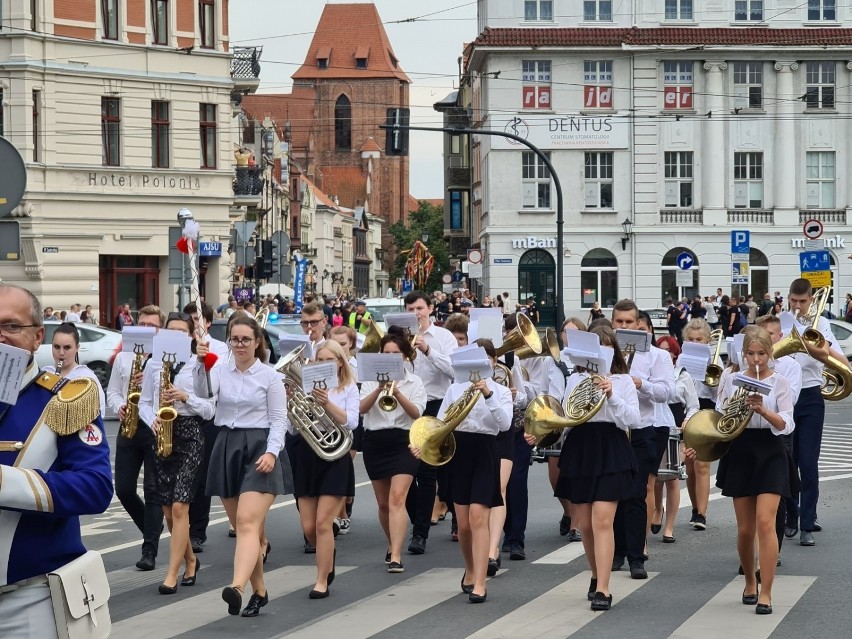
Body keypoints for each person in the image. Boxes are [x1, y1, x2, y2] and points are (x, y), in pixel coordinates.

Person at [0, 283, 113, 638]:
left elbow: (96, 488)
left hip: (28, 600)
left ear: (37, 337)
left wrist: (6, 484)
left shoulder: (65, 400)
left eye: (11, 326)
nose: (0, 337)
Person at [688, 326, 795, 615]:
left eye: (761, 354)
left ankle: (767, 592)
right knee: (746, 529)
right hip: (742, 450)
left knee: (765, 523)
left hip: (771, 451)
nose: (756, 360)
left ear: (769, 353)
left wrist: (763, 410)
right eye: (751, 354)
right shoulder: (732, 379)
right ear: (743, 353)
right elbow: (720, 418)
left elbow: (787, 423)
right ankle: (749, 579)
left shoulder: (781, 382)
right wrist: (698, 444)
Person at [196, 314, 291, 617]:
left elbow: (279, 421)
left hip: (261, 448)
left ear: (257, 342)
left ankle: (237, 587)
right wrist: (200, 365)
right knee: (242, 528)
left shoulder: (270, 376)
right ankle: (260, 592)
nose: (240, 345)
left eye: (246, 339)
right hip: (227, 445)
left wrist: (272, 453)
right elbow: (205, 398)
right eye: (235, 339)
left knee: (248, 524)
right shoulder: (220, 371)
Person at [412, 341, 512, 603]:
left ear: (492, 361)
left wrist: (488, 395)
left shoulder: (500, 391)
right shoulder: (455, 388)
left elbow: (504, 424)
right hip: (460, 451)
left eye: (486, 358)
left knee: (479, 517)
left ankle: (480, 582)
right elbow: (442, 423)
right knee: (465, 524)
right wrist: (422, 444)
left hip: (485, 450)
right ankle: (470, 568)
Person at [556, 325, 640, 611]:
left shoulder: (623, 381)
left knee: (603, 520)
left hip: (611, 446)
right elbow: (569, 414)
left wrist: (611, 393)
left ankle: (604, 588)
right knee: (586, 525)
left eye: (604, 347)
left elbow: (632, 419)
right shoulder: (574, 379)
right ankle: (595, 574)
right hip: (581, 446)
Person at [138, 312, 214, 594]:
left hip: (191, 434)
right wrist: (152, 419)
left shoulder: (198, 364)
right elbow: (144, 403)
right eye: (171, 331)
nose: (176, 336)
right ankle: (191, 561)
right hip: (163, 434)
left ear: (191, 335)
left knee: (181, 506)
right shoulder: (154, 365)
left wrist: (185, 397)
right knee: (169, 511)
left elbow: (210, 408)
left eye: (182, 332)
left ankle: (172, 574)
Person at [610, 301, 675, 579]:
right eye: (619, 322)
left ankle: (637, 557)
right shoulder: (606, 353)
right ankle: (615, 551)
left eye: (628, 322)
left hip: (642, 428)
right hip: (613, 429)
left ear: (639, 324)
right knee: (613, 494)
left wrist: (641, 384)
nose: (623, 327)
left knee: (636, 494)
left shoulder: (658, 356)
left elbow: (668, 392)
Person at [291, 340, 359, 599]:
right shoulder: (304, 385)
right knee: (310, 528)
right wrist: (290, 404)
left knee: (322, 522)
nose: (322, 365)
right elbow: (292, 429)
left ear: (340, 362)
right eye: (318, 360)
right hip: (307, 454)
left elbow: (352, 421)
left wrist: (327, 403)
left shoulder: (348, 388)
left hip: (335, 455)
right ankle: (327, 551)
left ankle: (321, 580)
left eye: (329, 361)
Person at [359, 329, 426, 572]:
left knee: (397, 498)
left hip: (404, 442)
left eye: (395, 354)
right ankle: (391, 542)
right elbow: (361, 409)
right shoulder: (369, 379)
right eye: (385, 353)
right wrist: (378, 388)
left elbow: (417, 414)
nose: (389, 357)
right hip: (375, 441)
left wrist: (396, 391)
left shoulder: (414, 382)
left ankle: (396, 555)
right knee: (383, 503)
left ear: (405, 357)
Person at [106, 305, 166, 570]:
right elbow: (113, 392)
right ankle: (152, 529)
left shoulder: (166, 357)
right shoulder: (124, 357)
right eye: (141, 324)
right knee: (124, 490)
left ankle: (149, 551)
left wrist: (151, 379)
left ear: (159, 329)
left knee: (153, 491)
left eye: (151, 325)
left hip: (154, 426)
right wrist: (118, 405)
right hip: (129, 426)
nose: (145, 329)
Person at [785, 279, 843, 547]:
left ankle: (807, 522)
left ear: (811, 300)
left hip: (810, 396)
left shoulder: (822, 325)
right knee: (787, 463)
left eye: (802, 302)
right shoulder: (781, 323)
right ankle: (790, 515)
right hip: (783, 396)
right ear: (788, 298)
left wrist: (816, 345)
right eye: (793, 301)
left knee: (808, 463)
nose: (797, 306)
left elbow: (841, 362)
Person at [403, 290, 457, 555]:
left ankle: (430, 529)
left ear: (430, 309)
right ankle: (419, 524)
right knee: (409, 471)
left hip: (437, 405)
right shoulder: (398, 335)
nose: (416, 314)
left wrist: (427, 350)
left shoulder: (444, 337)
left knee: (438, 471)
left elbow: (454, 371)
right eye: (411, 309)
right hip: (409, 406)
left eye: (419, 309)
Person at [183, 302, 229, 554]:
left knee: (201, 475)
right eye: (189, 318)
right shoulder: (182, 347)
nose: (193, 323)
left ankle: (197, 531)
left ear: (208, 322)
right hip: (183, 416)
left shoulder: (220, 347)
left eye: (196, 318)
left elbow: (215, 381)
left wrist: (204, 358)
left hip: (208, 414)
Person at [652, 335, 699, 542]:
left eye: (668, 351)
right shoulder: (651, 373)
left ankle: (669, 526)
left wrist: (688, 421)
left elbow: (693, 405)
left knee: (672, 479)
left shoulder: (682, 375)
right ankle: (656, 509)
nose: (664, 354)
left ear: (674, 354)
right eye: (660, 349)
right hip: (654, 425)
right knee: (654, 479)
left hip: (676, 430)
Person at [681, 318, 716, 529]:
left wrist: (708, 378)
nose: (695, 342)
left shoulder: (714, 361)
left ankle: (702, 513)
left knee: (703, 464)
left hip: (706, 409)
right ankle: (695, 507)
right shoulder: (681, 361)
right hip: (687, 411)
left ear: (707, 340)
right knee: (690, 465)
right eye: (691, 339)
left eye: (699, 339)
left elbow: (718, 392)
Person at [46, 322, 106, 416]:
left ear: (77, 347)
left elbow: (99, 412)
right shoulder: (45, 374)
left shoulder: (87, 377)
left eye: (67, 347)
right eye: (57, 347)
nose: (61, 353)